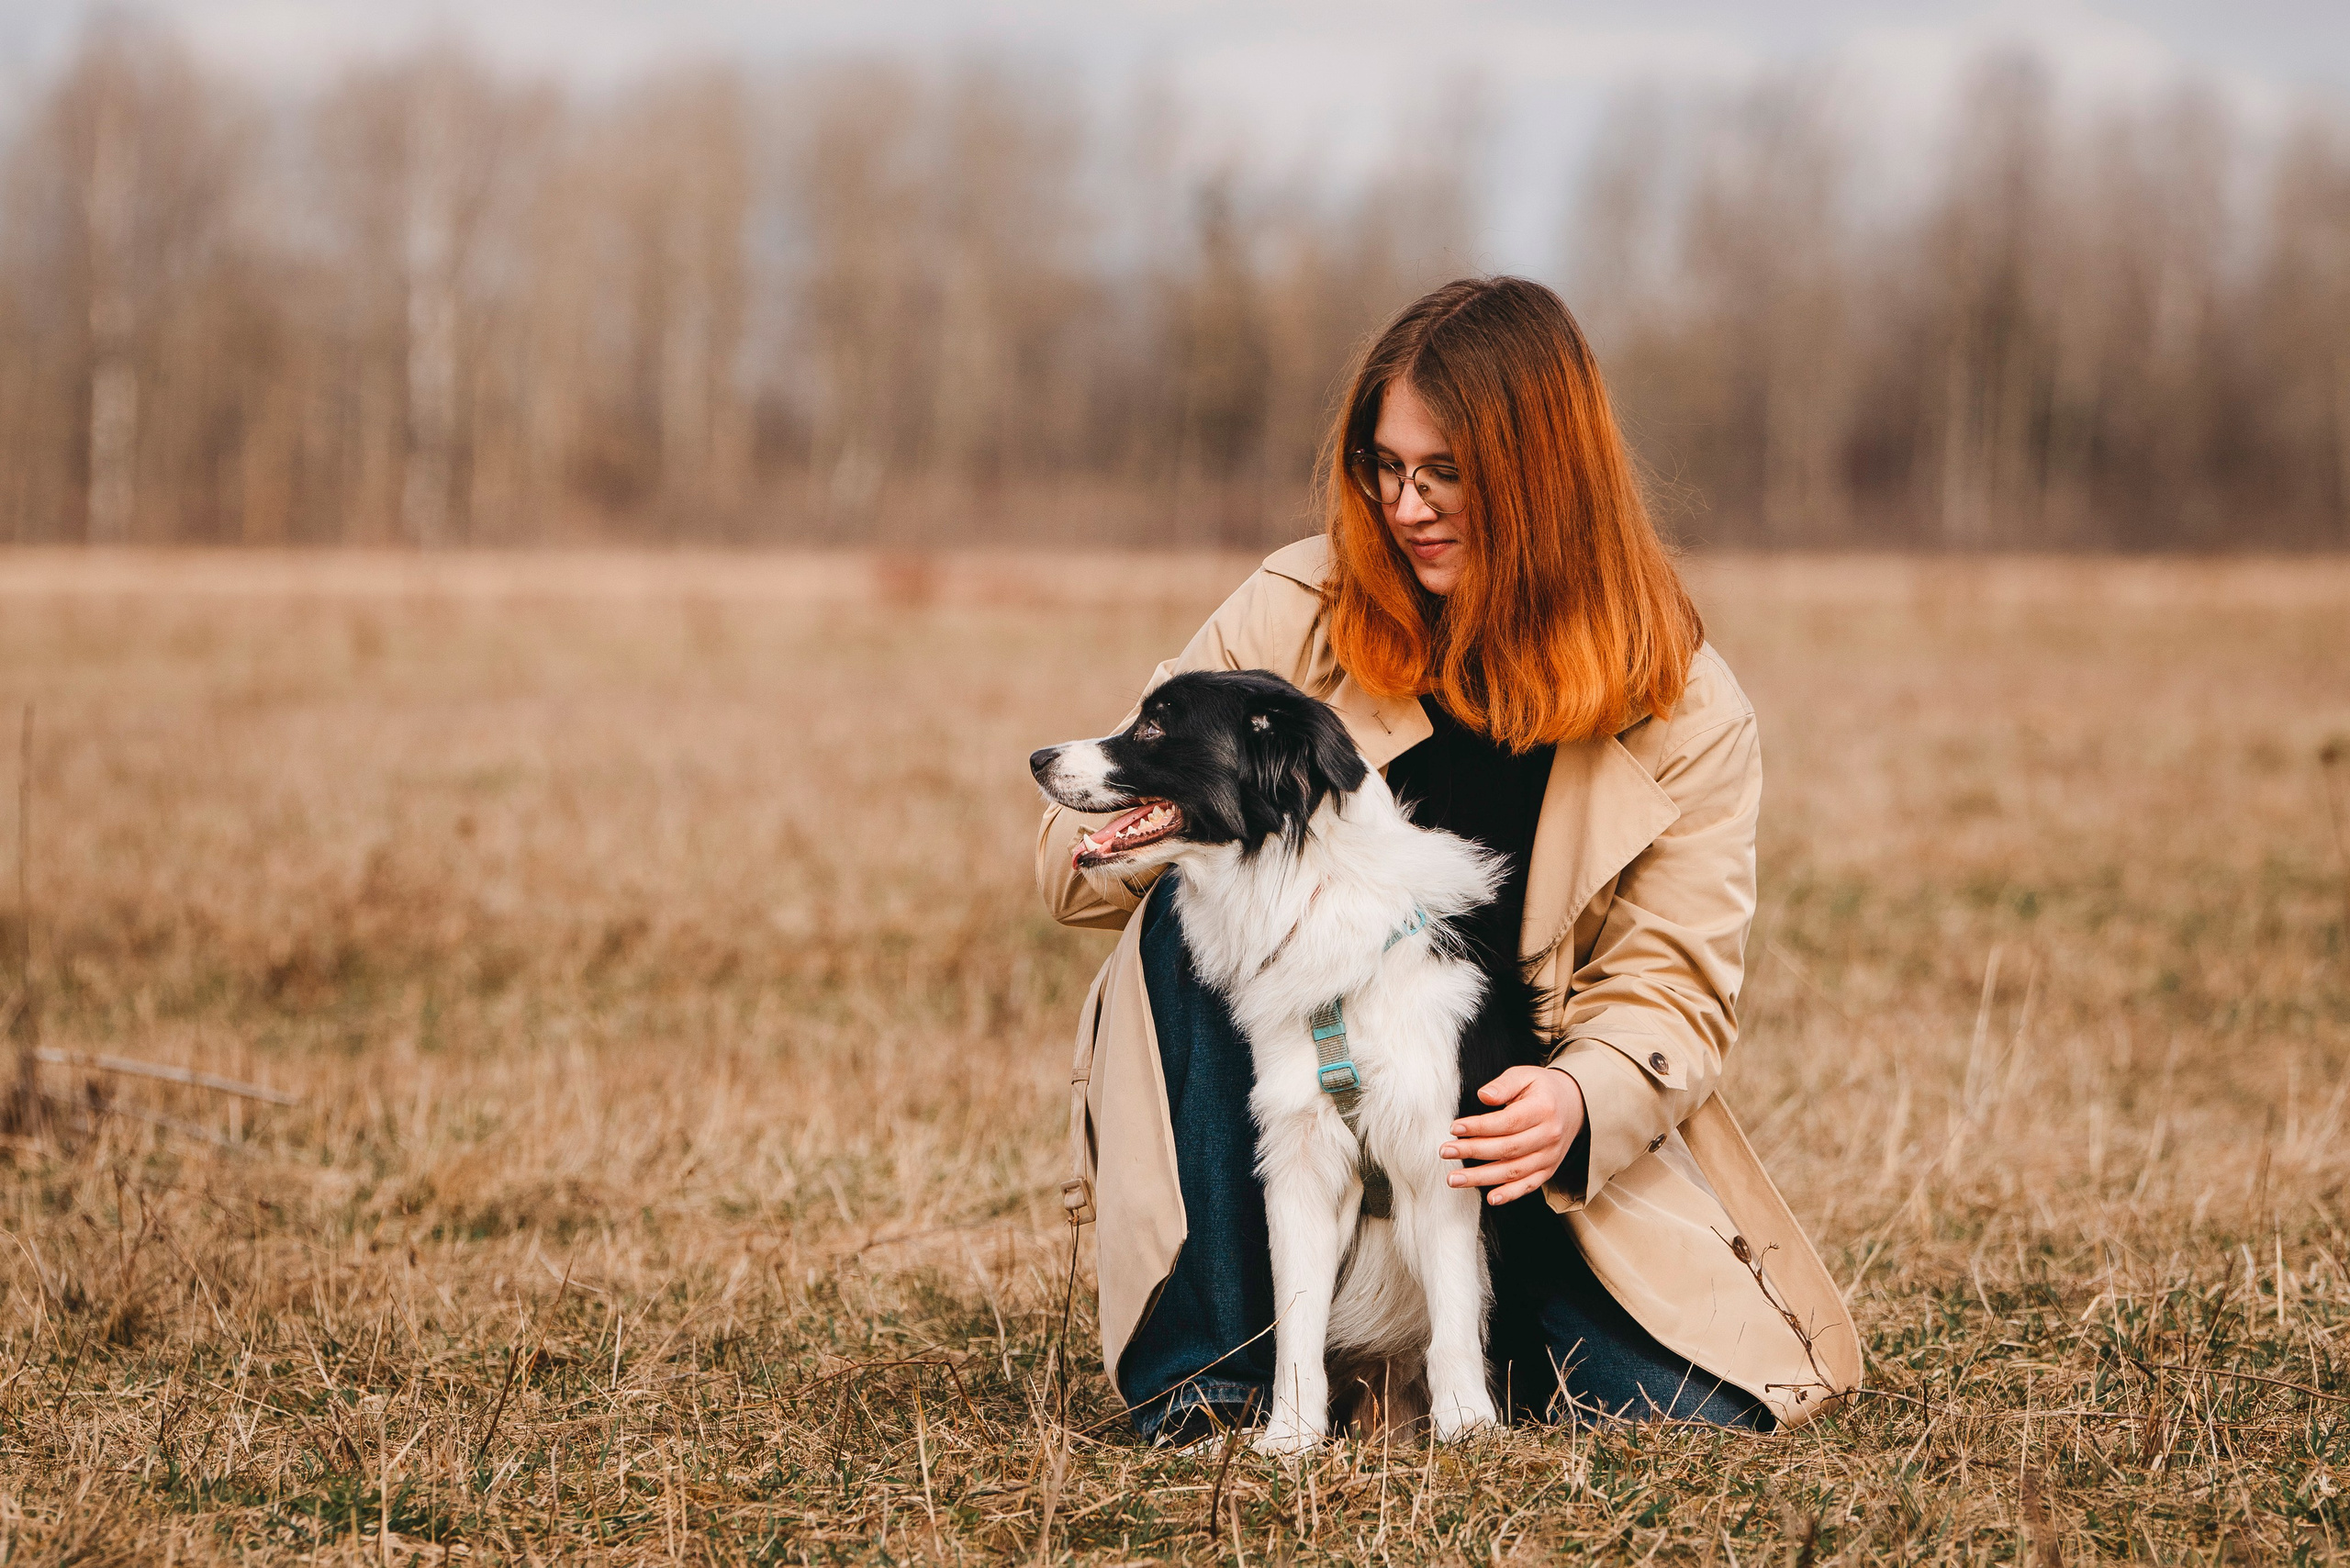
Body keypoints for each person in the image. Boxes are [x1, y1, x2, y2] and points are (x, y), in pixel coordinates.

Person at [1035, 276, 1858, 1444]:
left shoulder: (1685, 704)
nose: (1406, 505)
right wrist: (1179, 827)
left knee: (1695, 1413)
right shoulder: (1295, 609)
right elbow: (1067, 861)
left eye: (1447, 472)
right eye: (1385, 466)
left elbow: (1675, 986)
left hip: (1506, 1158)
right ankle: (1214, 1377)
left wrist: (1580, 1096)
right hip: (1283, 1112)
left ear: (1543, 476)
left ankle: (1460, 1360)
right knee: (1193, 904)